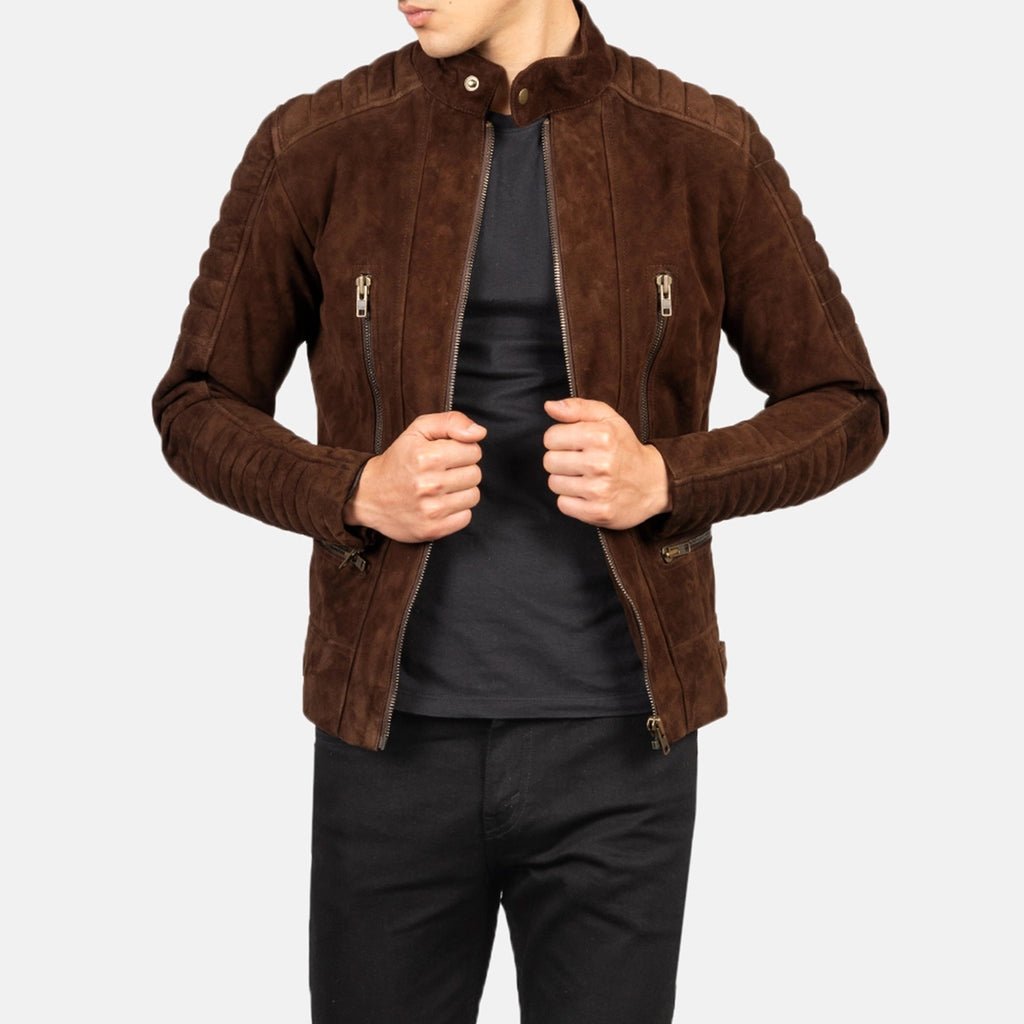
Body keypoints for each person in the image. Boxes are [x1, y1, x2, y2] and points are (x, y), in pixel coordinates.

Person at [150, 0, 889, 1020]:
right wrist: (353, 490)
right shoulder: (320, 140)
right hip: (388, 740)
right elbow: (196, 403)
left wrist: (667, 478)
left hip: (622, 739)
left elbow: (843, 402)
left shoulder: (700, 145)